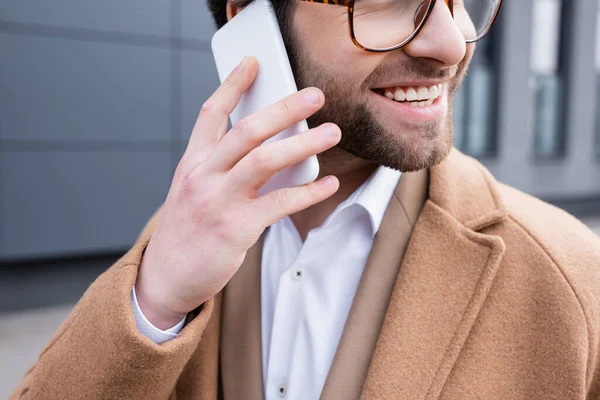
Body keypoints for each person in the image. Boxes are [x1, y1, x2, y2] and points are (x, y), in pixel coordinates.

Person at [11, 0, 600, 398]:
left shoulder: (572, 279)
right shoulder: (181, 236)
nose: (450, 43)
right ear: (251, 18)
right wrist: (154, 302)